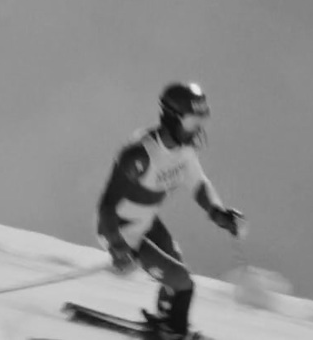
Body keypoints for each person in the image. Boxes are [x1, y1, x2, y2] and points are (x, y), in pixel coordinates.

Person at [95, 81, 244, 340]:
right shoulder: (140, 155)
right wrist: (119, 248)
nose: (196, 130)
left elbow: (198, 184)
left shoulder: (184, 152)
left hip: (147, 223)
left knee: (177, 267)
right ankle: (174, 333)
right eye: (191, 122)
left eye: (200, 122)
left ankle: (166, 322)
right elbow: (107, 206)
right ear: (172, 118)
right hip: (124, 231)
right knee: (183, 283)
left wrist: (219, 214)